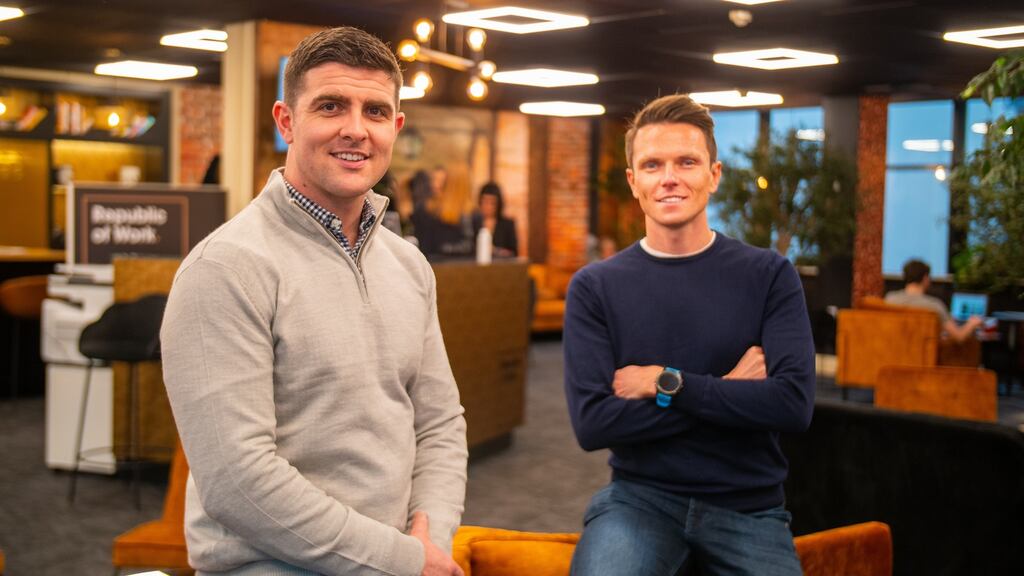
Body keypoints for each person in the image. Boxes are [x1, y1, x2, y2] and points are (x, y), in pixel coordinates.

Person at [161, 27, 467, 576]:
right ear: (286, 121)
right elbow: (238, 483)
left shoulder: (409, 265)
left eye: (375, 111)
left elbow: (439, 423)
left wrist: (431, 532)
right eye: (331, 106)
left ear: (395, 127)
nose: (356, 129)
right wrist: (403, 560)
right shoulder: (224, 269)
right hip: (272, 563)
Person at [563, 94, 815, 576]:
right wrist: (731, 389)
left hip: (749, 506)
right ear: (634, 182)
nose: (670, 177)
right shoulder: (596, 287)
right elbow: (594, 424)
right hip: (639, 501)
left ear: (713, 175)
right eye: (653, 165)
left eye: (687, 162)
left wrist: (664, 381)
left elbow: (792, 405)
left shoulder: (769, 274)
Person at [885, 259, 982, 342]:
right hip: (923, 360)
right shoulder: (934, 306)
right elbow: (959, 336)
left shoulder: (889, 300)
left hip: (891, 359)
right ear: (925, 278)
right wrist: (972, 323)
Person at [471, 182, 518, 258]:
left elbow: (514, 253)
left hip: (501, 267)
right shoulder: (472, 222)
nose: (488, 206)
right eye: (485, 202)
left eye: (492, 203)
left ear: (498, 204)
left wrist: (495, 250)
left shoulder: (507, 224)